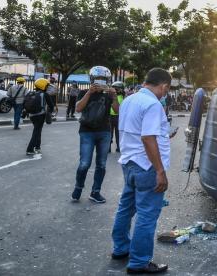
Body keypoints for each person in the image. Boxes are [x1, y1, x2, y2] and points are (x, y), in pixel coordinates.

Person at [111, 68, 172, 274]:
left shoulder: (128, 100)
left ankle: (120, 248)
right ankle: (139, 262)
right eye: (166, 90)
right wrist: (160, 171)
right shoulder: (153, 104)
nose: (165, 94)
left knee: (125, 209)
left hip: (129, 162)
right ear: (163, 85)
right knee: (147, 215)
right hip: (146, 167)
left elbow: (137, 132)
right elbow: (147, 138)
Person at [71, 66, 119, 204]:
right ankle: (78, 188)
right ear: (92, 79)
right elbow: (78, 108)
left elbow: (117, 110)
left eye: (103, 80)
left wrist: (114, 96)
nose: (100, 83)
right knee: (84, 163)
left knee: (102, 165)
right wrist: (89, 93)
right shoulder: (84, 92)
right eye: (98, 80)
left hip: (104, 131)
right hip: (87, 131)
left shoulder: (109, 95)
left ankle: (95, 192)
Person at [26, 78, 54, 155]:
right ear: (43, 86)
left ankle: (38, 147)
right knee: (36, 132)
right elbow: (51, 106)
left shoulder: (31, 93)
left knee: (38, 130)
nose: (47, 87)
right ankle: (30, 149)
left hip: (32, 115)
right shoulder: (45, 94)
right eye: (47, 86)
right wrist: (50, 113)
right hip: (40, 115)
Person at [109, 81, 125, 153]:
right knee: (109, 133)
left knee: (118, 133)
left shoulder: (123, 97)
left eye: (117, 89)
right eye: (114, 88)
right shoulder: (110, 96)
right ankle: (108, 147)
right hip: (110, 116)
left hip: (119, 117)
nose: (116, 90)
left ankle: (119, 147)